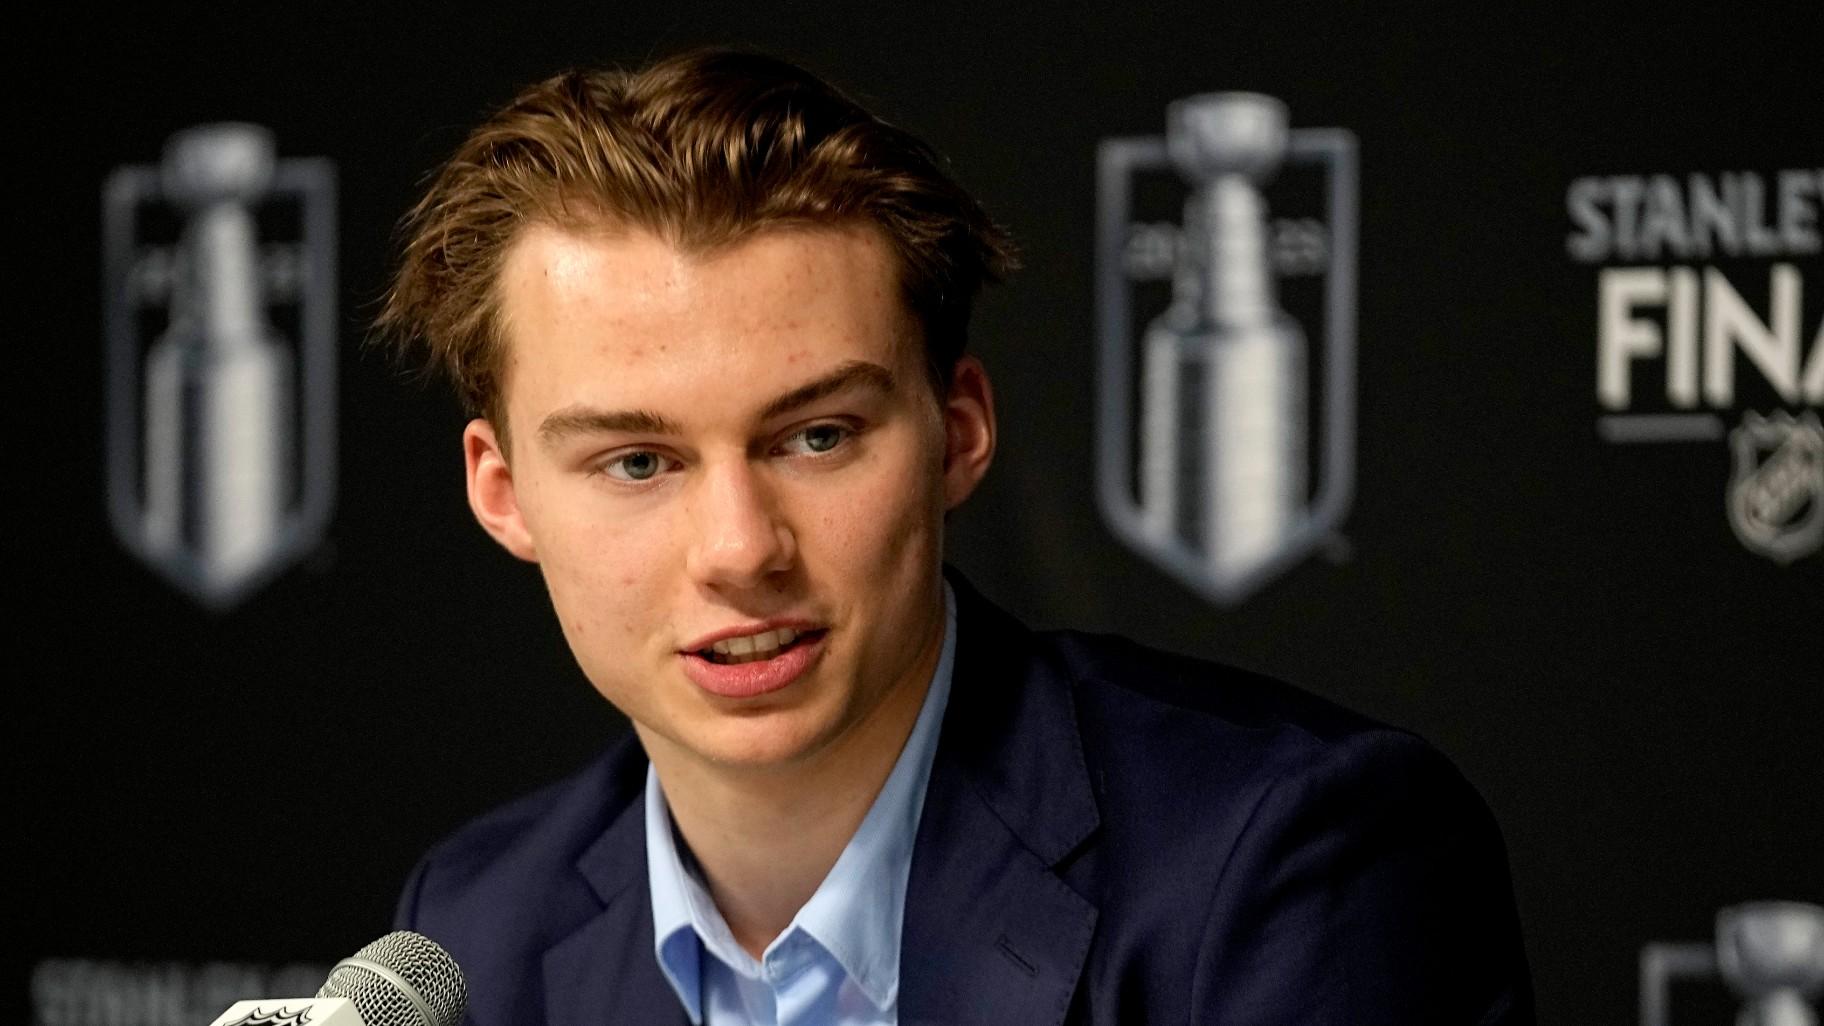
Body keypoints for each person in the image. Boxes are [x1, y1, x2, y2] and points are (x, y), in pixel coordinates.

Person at [377, 48, 1534, 1025]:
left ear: (958, 434)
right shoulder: (473, 929)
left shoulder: (1289, 864)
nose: (739, 549)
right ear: (504, 492)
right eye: (637, 462)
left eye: (817, 437)